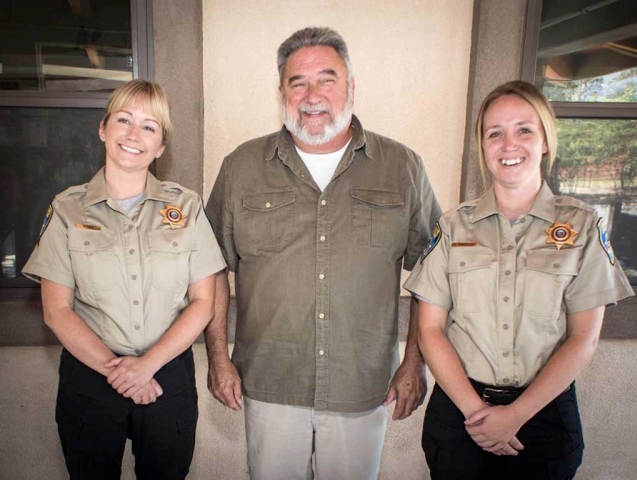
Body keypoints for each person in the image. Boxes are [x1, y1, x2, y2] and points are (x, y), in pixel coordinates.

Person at [204, 27, 441, 479]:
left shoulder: (402, 167)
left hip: (363, 384)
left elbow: (435, 274)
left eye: (327, 79)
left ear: (351, 87)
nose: (313, 95)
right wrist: (217, 356)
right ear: (282, 93)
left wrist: (414, 361)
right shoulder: (241, 167)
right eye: (298, 82)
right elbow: (212, 268)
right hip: (270, 382)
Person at [404, 80, 634, 479]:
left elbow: (584, 337)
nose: (509, 144)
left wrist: (515, 415)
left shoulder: (581, 227)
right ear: (483, 146)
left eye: (524, 130)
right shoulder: (453, 226)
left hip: (543, 418)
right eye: (495, 133)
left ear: (545, 140)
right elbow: (430, 330)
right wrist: (480, 416)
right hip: (459, 416)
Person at [22, 79, 226, 480]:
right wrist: (122, 371)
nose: (134, 135)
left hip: (167, 377)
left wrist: (147, 366)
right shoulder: (66, 209)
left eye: (150, 127)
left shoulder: (186, 207)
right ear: (103, 128)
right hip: (90, 378)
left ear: (161, 146)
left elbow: (204, 301)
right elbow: (56, 311)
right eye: (124, 120)